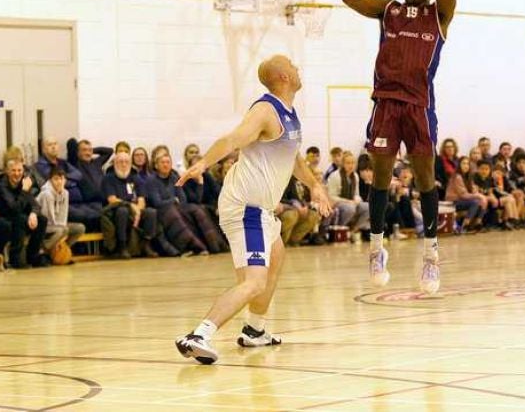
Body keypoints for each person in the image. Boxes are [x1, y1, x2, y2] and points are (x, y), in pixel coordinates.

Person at [174, 54, 331, 365]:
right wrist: (204, 163)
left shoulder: (289, 114)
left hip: (260, 210)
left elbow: (294, 158)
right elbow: (232, 139)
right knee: (254, 281)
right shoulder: (264, 111)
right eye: (292, 65)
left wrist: (314, 185)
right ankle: (198, 335)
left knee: (277, 256)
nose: (298, 67)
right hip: (246, 207)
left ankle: (255, 330)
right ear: (283, 77)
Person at [342, 0, 456, 293]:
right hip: (386, 103)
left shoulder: (439, 15)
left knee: (425, 181)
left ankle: (431, 257)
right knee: (380, 178)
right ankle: (376, 249)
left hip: (420, 106)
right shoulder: (388, 10)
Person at [101, 152, 168, 259]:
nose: (123, 165)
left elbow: (141, 199)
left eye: (126, 162)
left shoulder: (135, 178)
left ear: (130, 164)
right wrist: (131, 206)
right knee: (123, 211)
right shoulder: (108, 178)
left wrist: (138, 210)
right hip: (115, 209)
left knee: (151, 212)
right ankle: (121, 247)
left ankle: (146, 245)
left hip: (134, 209)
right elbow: (112, 199)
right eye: (120, 162)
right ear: (114, 164)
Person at [0, 159, 49, 268]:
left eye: (19, 170)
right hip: (5, 218)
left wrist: (33, 214)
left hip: (19, 216)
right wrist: (24, 191)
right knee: (21, 219)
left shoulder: (23, 183)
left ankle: (33, 256)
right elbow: (14, 208)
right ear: (7, 172)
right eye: (13, 170)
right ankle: (15, 259)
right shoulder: (2, 187)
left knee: (42, 219)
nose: (17, 173)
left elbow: (35, 205)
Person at [37, 167, 86, 254]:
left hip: (58, 225)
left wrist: (62, 226)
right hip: (44, 226)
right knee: (62, 230)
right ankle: (43, 250)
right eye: (56, 179)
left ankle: (61, 250)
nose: (59, 182)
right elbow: (47, 218)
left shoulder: (65, 193)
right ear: (50, 180)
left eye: (62, 179)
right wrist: (62, 227)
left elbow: (64, 214)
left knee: (80, 228)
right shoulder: (46, 194)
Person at [326, 151, 371, 240]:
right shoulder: (335, 176)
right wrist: (349, 201)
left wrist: (357, 199)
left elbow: (357, 194)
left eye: (353, 163)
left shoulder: (355, 176)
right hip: (337, 203)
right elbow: (331, 197)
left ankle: (353, 230)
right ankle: (340, 229)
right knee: (350, 208)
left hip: (351, 202)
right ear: (343, 164)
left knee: (368, 207)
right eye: (348, 163)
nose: (351, 165)